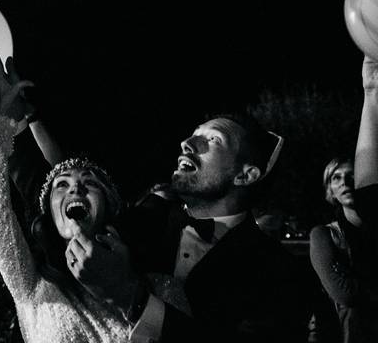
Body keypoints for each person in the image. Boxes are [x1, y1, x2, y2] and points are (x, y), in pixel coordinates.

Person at [23, 42, 314, 341]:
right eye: (194, 134)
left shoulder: (278, 270)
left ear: (245, 175)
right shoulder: (141, 223)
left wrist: (128, 296)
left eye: (212, 140)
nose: (187, 143)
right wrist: (27, 118)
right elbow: (67, 191)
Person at [0, 47, 130, 342]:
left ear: (110, 202)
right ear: (48, 211)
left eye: (89, 182)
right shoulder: (31, 283)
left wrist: (125, 289)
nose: (75, 187)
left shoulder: (152, 284)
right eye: (61, 186)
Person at [308, 57, 378, 342]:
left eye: (351, 175)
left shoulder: (374, 224)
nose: (346, 182)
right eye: (336, 178)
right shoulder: (325, 235)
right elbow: (346, 294)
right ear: (330, 190)